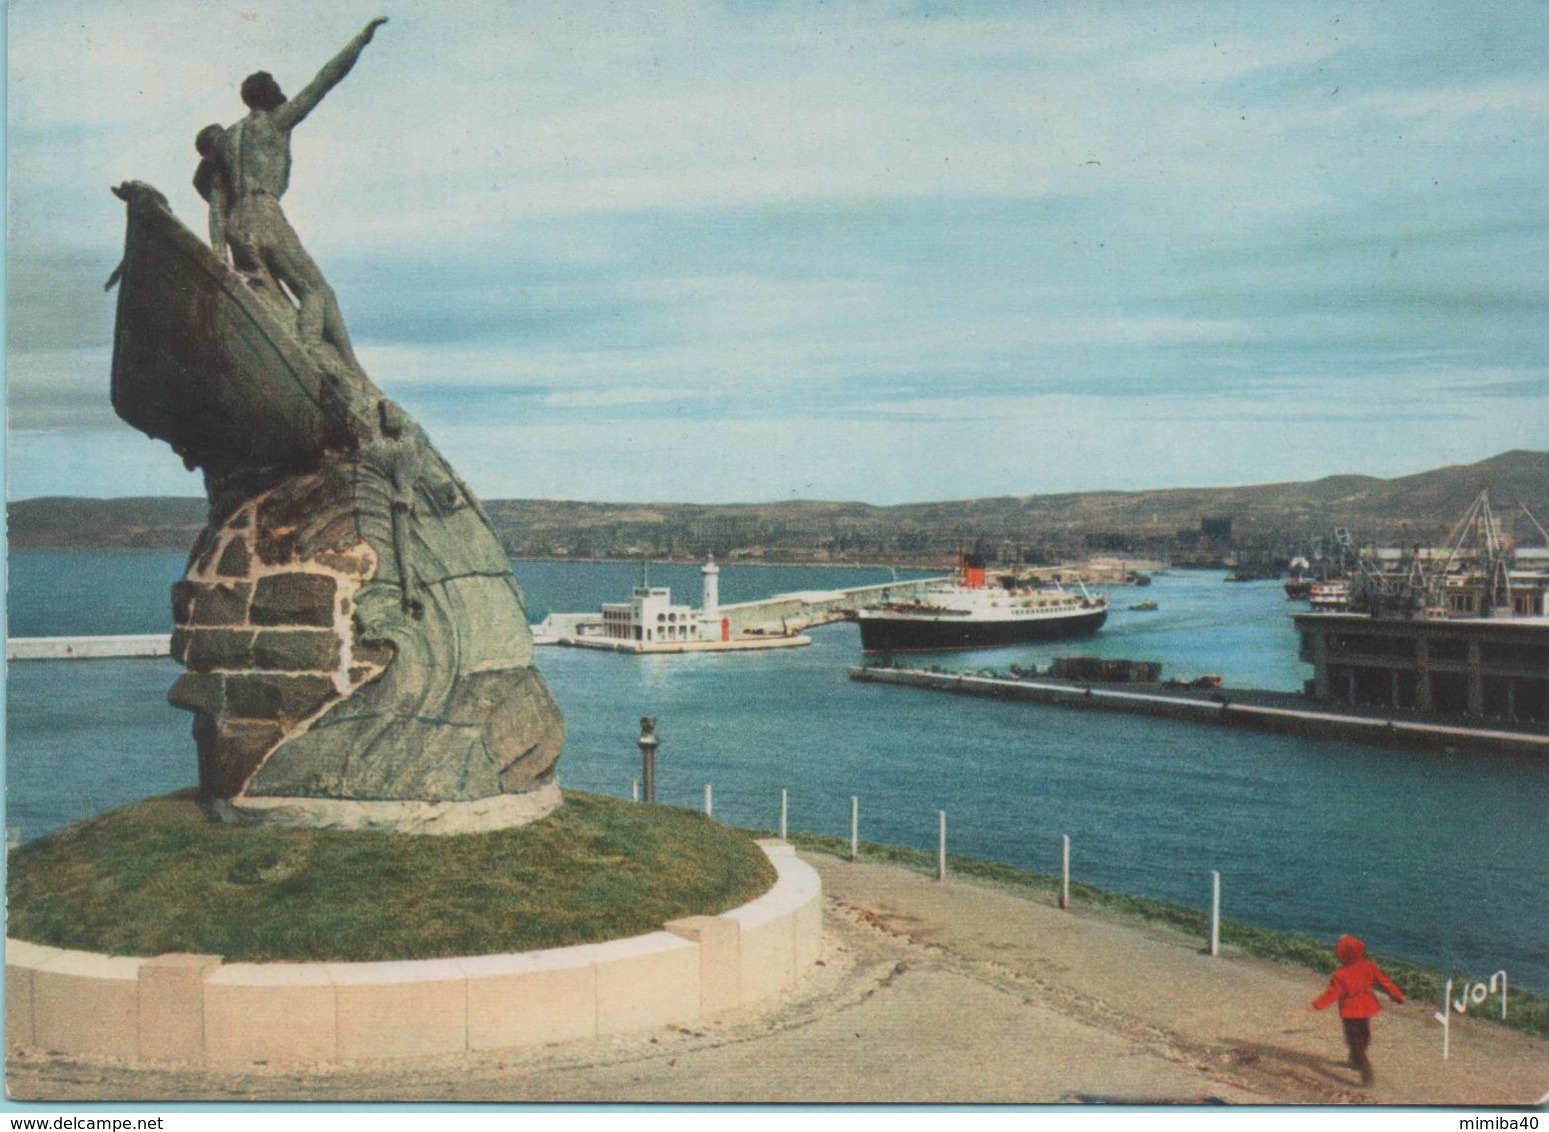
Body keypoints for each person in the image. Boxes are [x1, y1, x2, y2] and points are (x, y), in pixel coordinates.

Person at [210, 17, 388, 371]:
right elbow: (324, 81)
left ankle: (318, 357)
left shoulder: (225, 140)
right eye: (275, 87)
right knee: (318, 292)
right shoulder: (276, 122)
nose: (281, 91)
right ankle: (318, 356)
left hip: (235, 224)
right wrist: (360, 41)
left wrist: (219, 255)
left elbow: (217, 205)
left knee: (272, 296)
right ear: (266, 95)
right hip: (265, 214)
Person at [1310, 934, 1404, 1086]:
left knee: (1355, 1041)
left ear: (1341, 954)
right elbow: (1384, 981)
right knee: (1363, 1036)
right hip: (1366, 1008)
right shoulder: (1369, 966)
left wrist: (1315, 1005)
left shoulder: (1340, 975)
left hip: (1350, 1012)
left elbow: (1331, 995)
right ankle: (1356, 1060)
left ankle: (1365, 1070)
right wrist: (1397, 995)